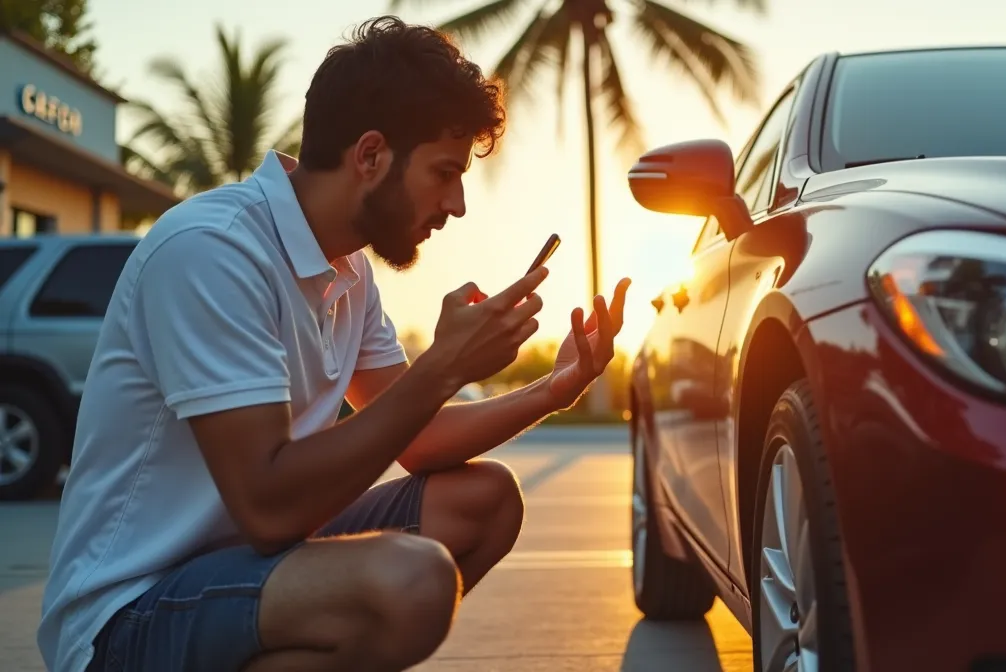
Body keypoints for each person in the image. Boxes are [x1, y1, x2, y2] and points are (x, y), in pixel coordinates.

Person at [37, 15, 631, 672]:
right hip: (131, 617)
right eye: (444, 172)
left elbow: (418, 442)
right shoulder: (213, 250)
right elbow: (267, 507)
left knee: (484, 502)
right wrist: (441, 367)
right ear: (370, 155)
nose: (457, 203)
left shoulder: (348, 270)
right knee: (411, 580)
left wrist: (555, 387)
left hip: (253, 571)